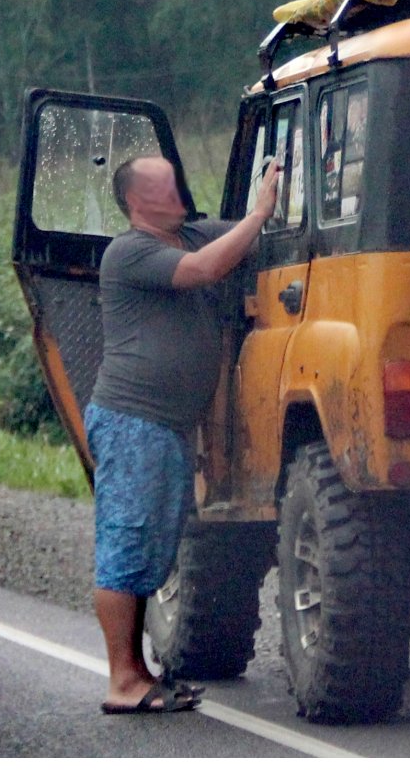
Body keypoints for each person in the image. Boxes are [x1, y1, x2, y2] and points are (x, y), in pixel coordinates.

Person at [84, 153, 280, 714]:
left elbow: (248, 240)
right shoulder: (129, 251)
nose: (174, 191)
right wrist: (258, 212)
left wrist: (273, 210)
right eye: (159, 187)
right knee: (126, 542)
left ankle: (140, 673)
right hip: (132, 421)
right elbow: (205, 270)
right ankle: (122, 680)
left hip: (165, 426)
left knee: (152, 546)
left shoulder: (191, 233)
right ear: (134, 202)